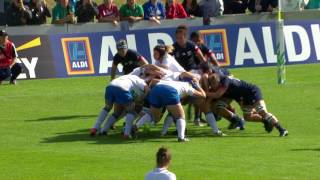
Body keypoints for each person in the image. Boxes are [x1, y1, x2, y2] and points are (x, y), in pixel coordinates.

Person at [206, 73, 289, 137]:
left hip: (252, 92)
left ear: (217, 81)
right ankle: (265, 121)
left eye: (213, 85)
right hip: (242, 97)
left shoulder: (225, 81)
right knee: (247, 117)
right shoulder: (220, 81)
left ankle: (282, 130)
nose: (212, 87)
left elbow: (217, 94)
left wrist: (203, 93)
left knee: (262, 111)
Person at [141, 78, 206, 142]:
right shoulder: (188, 87)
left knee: (154, 117)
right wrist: (198, 86)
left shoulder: (176, 82)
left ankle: (136, 127)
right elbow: (203, 95)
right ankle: (181, 138)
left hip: (156, 90)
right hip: (170, 91)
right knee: (180, 116)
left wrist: (150, 88)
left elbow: (154, 80)